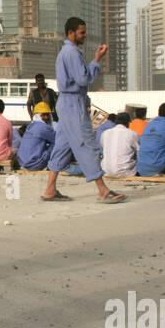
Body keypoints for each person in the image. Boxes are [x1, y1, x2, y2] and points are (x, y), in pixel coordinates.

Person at [42, 18, 125, 204]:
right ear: (71, 33)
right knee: (86, 143)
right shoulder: (72, 52)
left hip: (66, 103)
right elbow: (83, 79)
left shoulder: (66, 52)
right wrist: (96, 61)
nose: (85, 35)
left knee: (63, 145)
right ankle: (102, 190)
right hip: (73, 103)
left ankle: (50, 189)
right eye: (82, 32)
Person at [16, 103, 56, 171]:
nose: (47, 118)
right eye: (44, 115)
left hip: (22, 163)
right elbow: (57, 140)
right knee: (57, 144)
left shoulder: (30, 126)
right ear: (39, 116)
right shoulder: (44, 128)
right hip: (34, 164)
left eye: (47, 115)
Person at [100, 112, 140, 178]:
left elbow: (103, 148)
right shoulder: (132, 134)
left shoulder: (105, 133)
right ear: (128, 123)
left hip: (106, 172)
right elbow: (139, 153)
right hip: (126, 173)